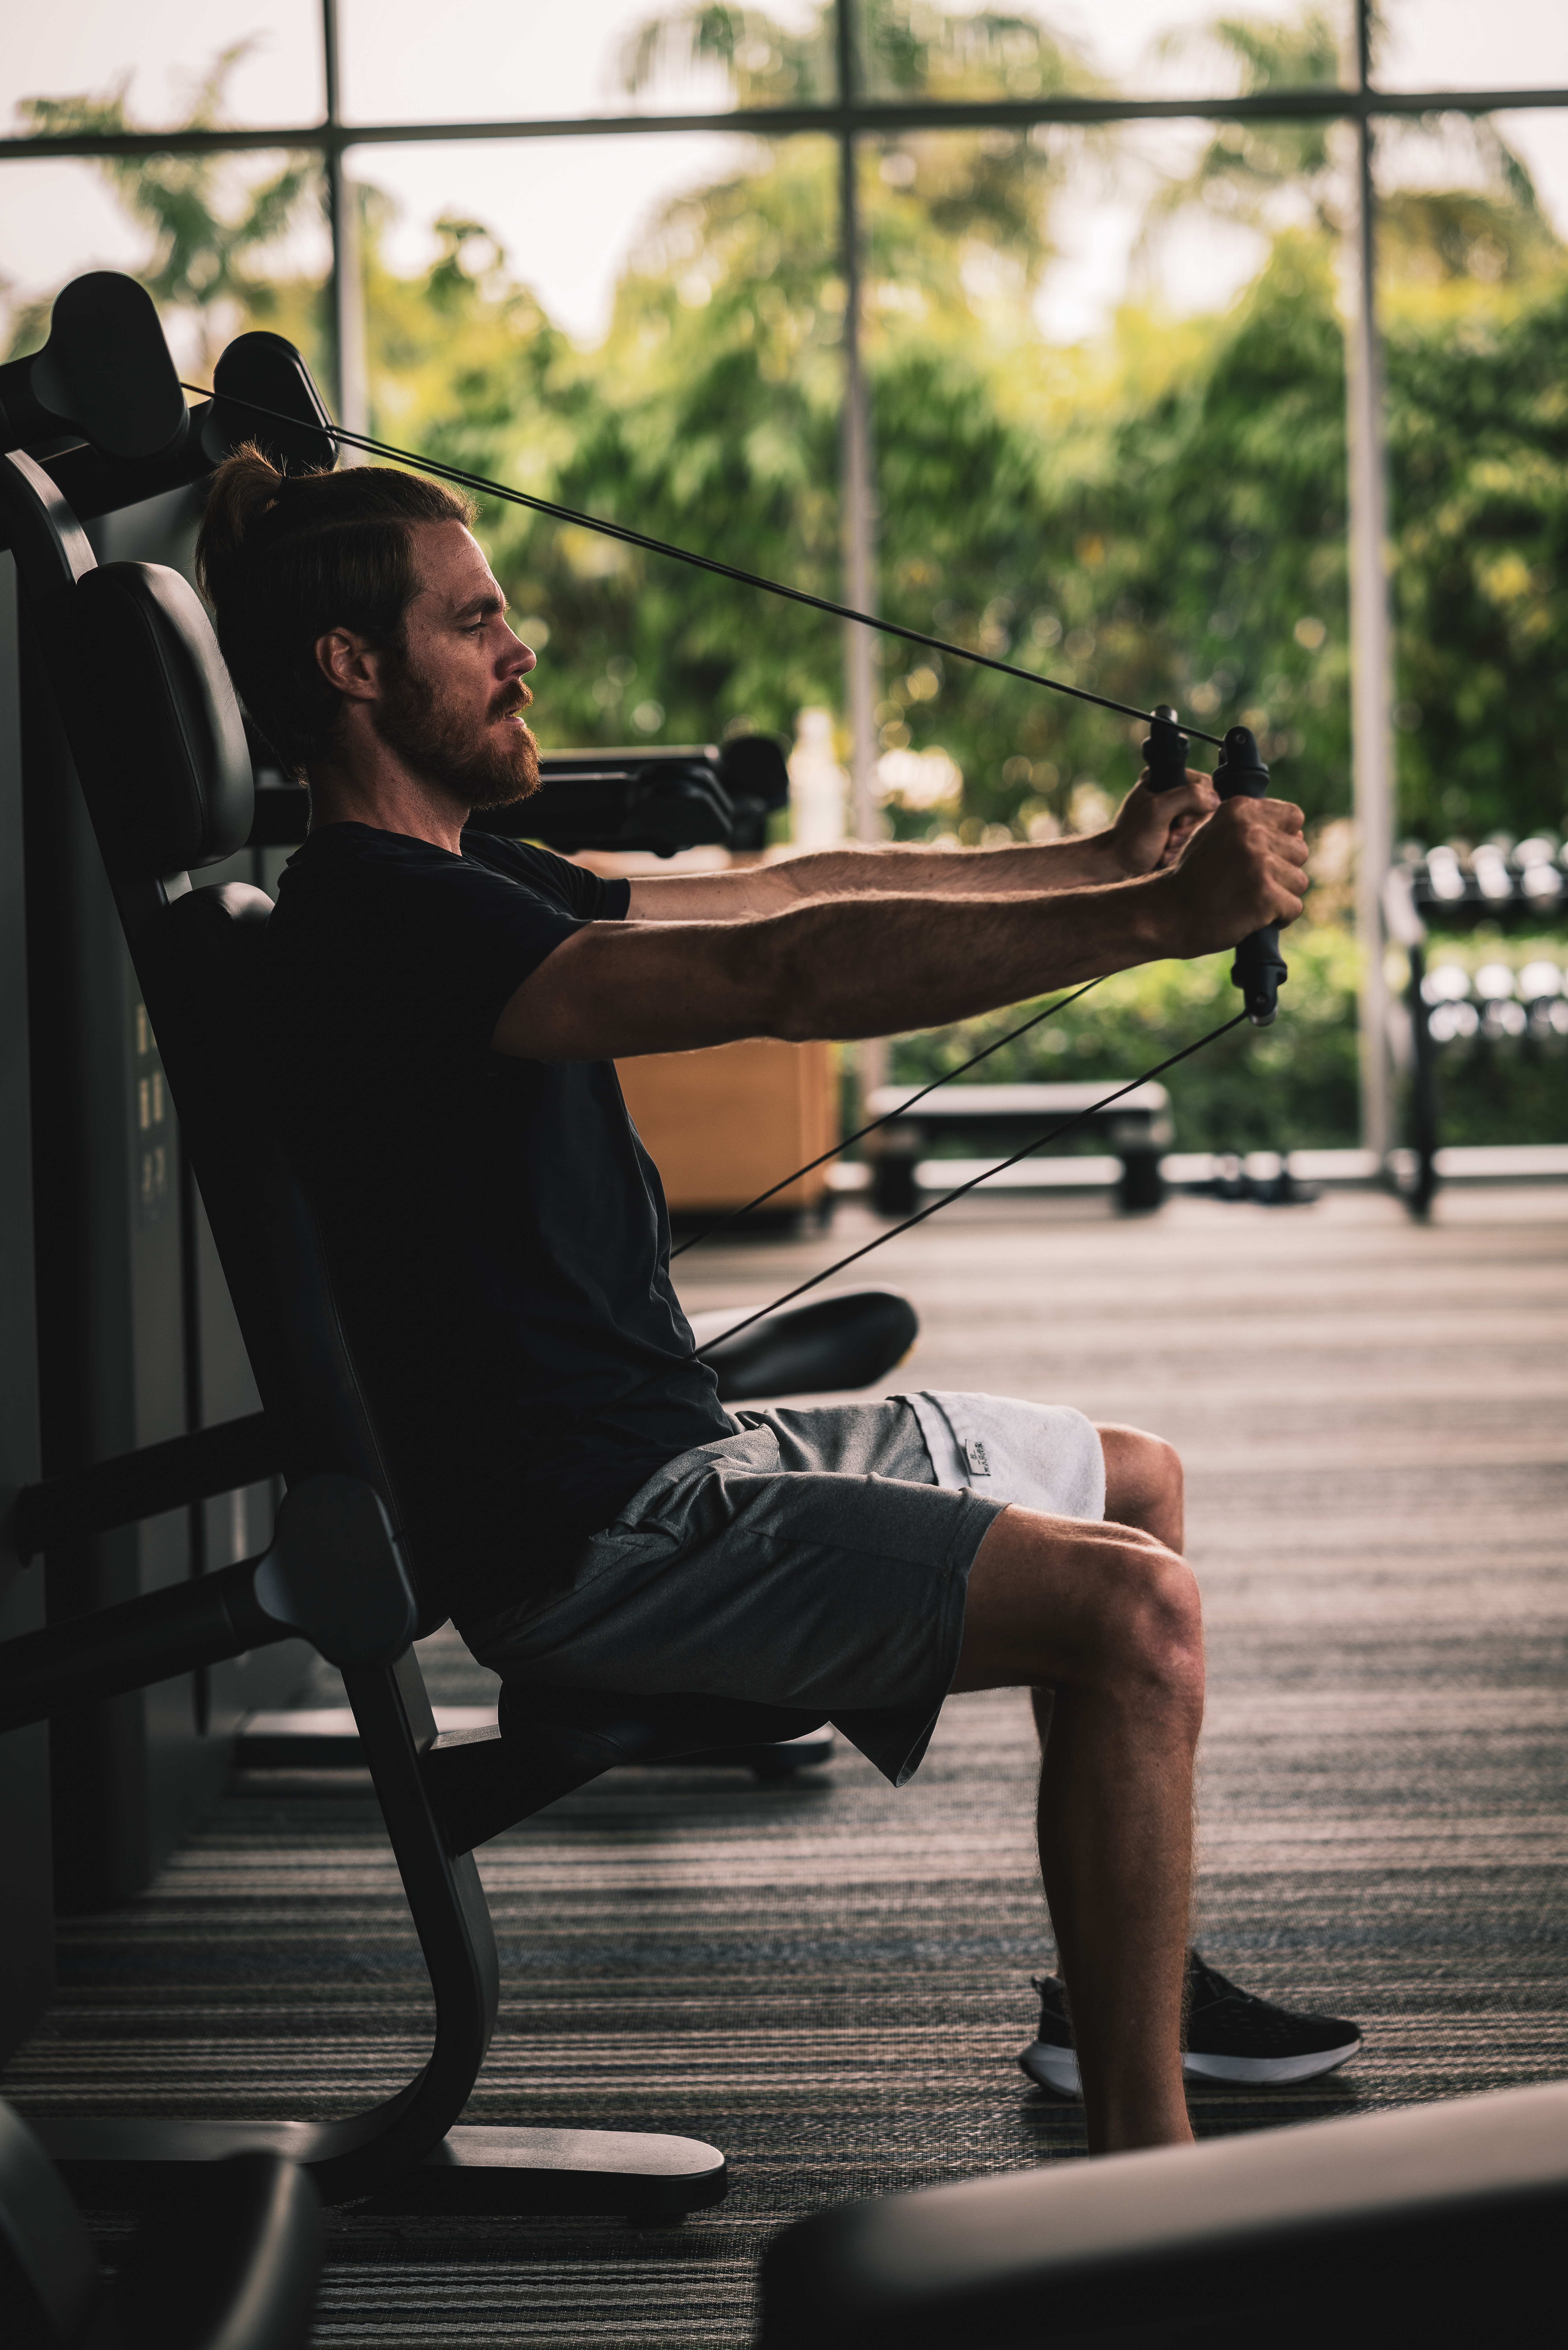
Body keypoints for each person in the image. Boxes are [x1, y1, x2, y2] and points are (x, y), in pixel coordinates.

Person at [195, 450, 1359, 2157]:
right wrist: (1154, 921)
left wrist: (1094, 860)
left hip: (689, 1454)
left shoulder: (469, 885)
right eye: (475, 623)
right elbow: (779, 979)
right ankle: (1147, 2169)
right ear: (351, 669)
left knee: (1137, 1485)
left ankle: (1133, 1990)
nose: (521, 653)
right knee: (1139, 1621)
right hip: (613, 1543)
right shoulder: (381, 928)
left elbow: (789, 894)